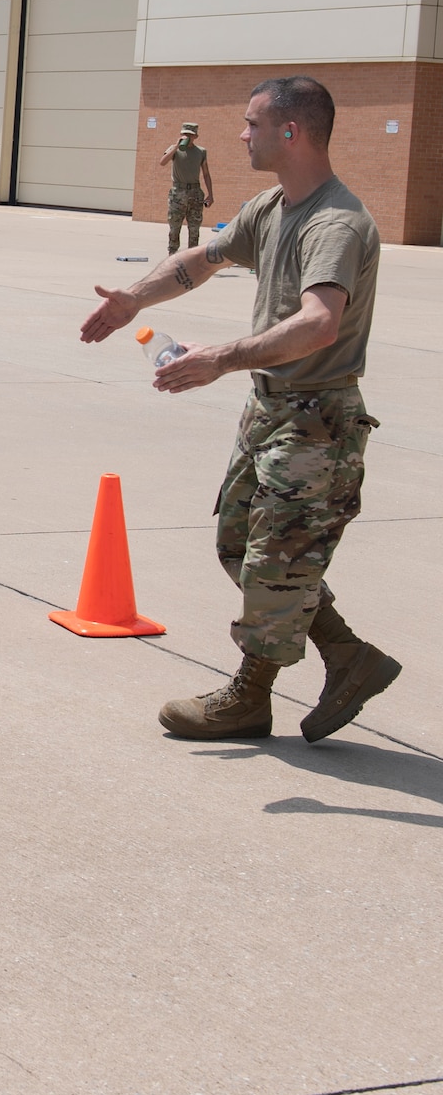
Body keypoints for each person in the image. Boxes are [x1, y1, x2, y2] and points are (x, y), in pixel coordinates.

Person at [79, 76, 398, 742]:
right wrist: (136, 297)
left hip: (318, 421)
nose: (242, 134)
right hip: (273, 411)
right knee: (237, 544)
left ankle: (250, 695)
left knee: (274, 563)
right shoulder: (273, 207)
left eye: (253, 123)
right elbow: (204, 255)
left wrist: (222, 357)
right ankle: (348, 656)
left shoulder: (336, 223)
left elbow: (319, 323)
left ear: (293, 132)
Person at [155, 122, 214, 254]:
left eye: (190, 135)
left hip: (195, 193)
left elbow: (206, 173)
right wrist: (176, 146)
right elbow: (162, 162)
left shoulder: (201, 152)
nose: (187, 137)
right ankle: (172, 255)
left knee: (194, 228)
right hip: (178, 193)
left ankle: (191, 257)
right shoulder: (174, 149)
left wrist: (210, 194)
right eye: (185, 134)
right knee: (175, 227)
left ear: (196, 136)